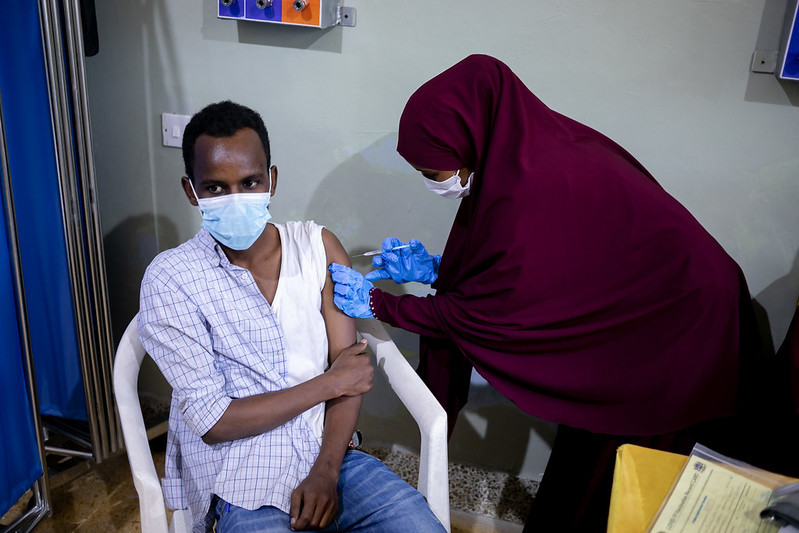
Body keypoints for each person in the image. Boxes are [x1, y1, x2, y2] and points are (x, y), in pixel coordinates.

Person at [329, 55, 797, 531]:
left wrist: (380, 304)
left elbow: (495, 312)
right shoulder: (523, 155)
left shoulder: (533, 186)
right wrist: (439, 270)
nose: (433, 183)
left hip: (682, 325)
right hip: (650, 309)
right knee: (589, 446)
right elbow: (550, 278)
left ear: (469, 137)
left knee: (628, 472)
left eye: (433, 172)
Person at [138, 101, 446, 533]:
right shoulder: (172, 279)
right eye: (215, 188)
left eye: (249, 182)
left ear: (272, 180)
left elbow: (352, 375)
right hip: (239, 478)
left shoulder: (317, 247)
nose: (235, 199)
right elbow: (214, 422)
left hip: (330, 452)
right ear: (192, 191)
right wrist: (328, 382)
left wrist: (326, 469)